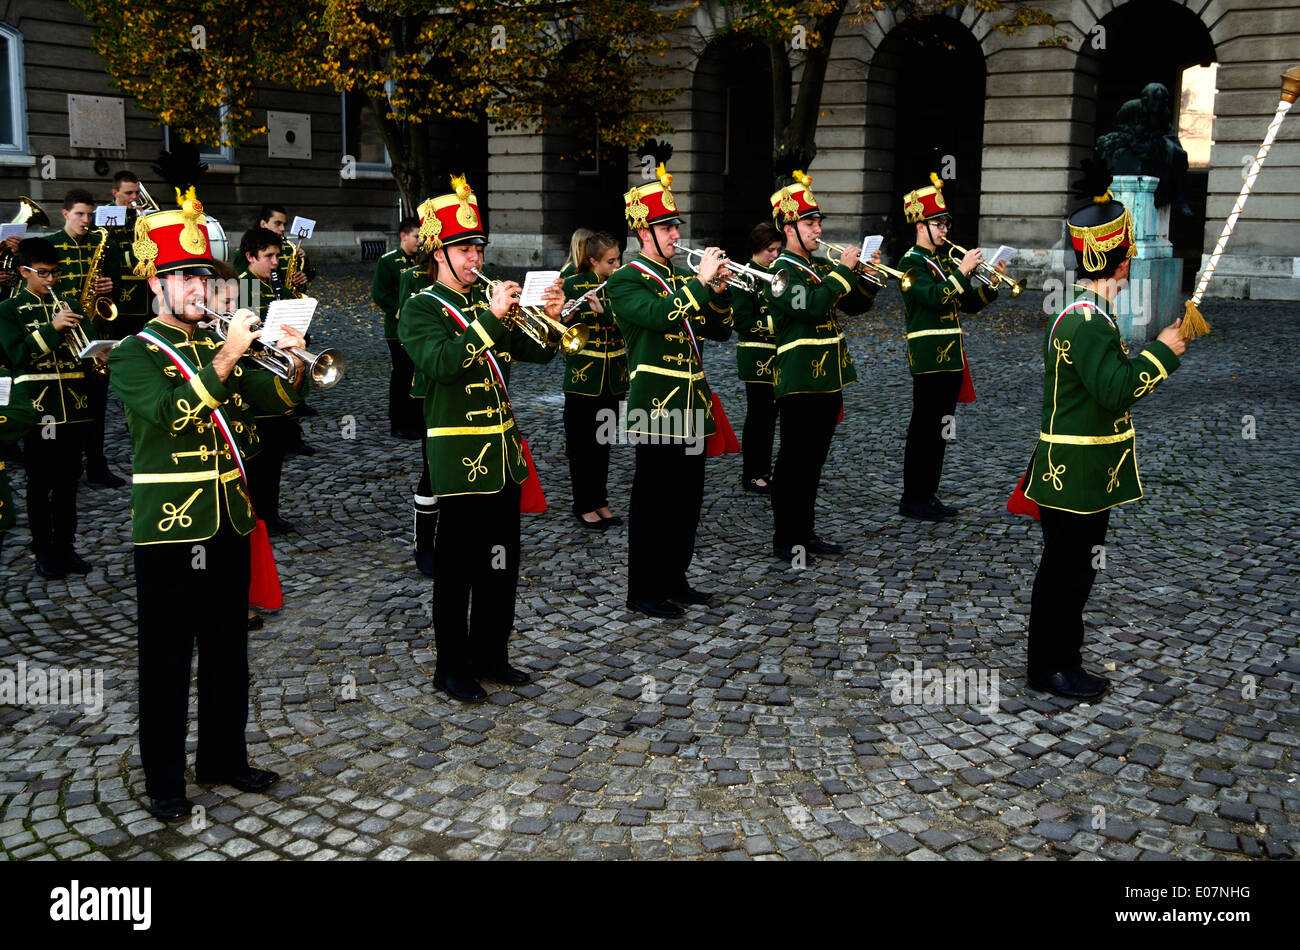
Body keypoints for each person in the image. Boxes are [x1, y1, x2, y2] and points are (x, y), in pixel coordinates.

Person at [108, 187, 307, 820]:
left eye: (203, 275)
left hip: (228, 520)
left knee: (229, 649)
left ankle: (224, 756)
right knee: (167, 659)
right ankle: (165, 781)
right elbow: (168, 417)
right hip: (169, 530)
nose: (199, 286)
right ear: (155, 284)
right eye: (185, 276)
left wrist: (292, 362)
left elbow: (271, 409)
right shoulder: (135, 353)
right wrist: (227, 356)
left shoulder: (215, 344)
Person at [1018, 179, 1187, 701]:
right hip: (1075, 475)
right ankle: (1050, 666)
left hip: (1085, 474)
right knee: (1066, 573)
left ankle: (1064, 659)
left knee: (1073, 571)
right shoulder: (1088, 322)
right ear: (1121, 263)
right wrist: (1163, 352)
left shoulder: (1088, 315)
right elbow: (1116, 391)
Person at [398, 174, 561, 702]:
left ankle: (492, 654)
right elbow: (443, 365)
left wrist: (552, 319)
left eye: (477, 247)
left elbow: (536, 354)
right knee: (457, 566)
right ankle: (451, 666)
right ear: (438, 254)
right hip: (458, 455)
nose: (474, 257)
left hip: (504, 455)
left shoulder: (485, 303)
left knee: (501, 559)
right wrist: (490, 319)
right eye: (464, 248)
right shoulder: (421, 308)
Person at [604, 163, 733, 618]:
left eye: (676, 225)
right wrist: (700, 285)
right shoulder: (624, 281)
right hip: (654, 407)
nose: (676, 235)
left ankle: (675, 578)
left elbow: (719, 330)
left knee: (687, 501)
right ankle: (642, 589)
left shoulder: (682, 280)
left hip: (693, 403)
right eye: (666, 227)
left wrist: (718, 291)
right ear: (644, 233)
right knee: (653, 502)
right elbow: (659, 318)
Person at [764, 171, 880, 562]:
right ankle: (786, 538)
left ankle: (806, 532)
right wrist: (843, 271)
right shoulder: (780, 272)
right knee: (794, 462)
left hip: (828, 376)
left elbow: (855, 306)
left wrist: (866, 275)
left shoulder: (815, 268)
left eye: (818, 222)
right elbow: (812, 307)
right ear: (788, 227)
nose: (818, 228)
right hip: (798, 379)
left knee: (813, 463)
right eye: (810, 222)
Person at [897, 173, 1003, 521]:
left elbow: (968, 303)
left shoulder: (943, 263)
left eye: (945, 223)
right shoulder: (910, 264)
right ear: (919, 224)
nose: (944, 230)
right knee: (923, 430)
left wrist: (990, 282)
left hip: (951, 358)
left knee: (940, 430)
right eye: (938, 223)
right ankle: (912, 498)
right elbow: (933, 298)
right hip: (928, 358)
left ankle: (928, 494)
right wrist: (962, 273)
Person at [0, 237, 98, 578]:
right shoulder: (8, 311)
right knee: (41, 481)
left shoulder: (67, 303)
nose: (51, 281)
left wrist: (98, 351)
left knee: (70, 480)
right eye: (43, 274)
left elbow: (85, 348)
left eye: (54, 273)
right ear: (25, 272)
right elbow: (17, 355)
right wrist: (52, 329)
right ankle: (43, 550)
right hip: (40, 409)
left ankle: (66, 547)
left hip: (75, 404)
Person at [46, 188, 125, 489]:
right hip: (66, 333)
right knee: (66, 406)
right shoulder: (49, 244)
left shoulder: (99, 241)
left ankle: (97, 465)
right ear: (65, 214)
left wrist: (109, 284)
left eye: (90, 215)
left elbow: (115, 275)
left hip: (96, 334)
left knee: (97, 404)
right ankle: (66, 465)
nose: (86, 220)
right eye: (80, 214)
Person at [560, 231, 627, 529]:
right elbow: (557, 327)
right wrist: (562, 315)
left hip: (614, 377)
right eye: (610, 261)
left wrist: (605, 313)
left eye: (618, 259)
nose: (616, 266)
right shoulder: (572, 285)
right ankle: (583, 504)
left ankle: (600, 500)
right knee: (581, 444)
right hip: (582, 378)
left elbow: (631, 322)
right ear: (592, 261)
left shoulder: (623, 284)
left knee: (603, 442)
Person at [236, 227, 299, 535]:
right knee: (257, 455)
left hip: (278, 376)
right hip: (255, 379)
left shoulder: (279, 288)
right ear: (250, 257)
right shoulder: (243, 288)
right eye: (269, 257)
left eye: (278, 256)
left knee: (275, 453)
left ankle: (270, 513)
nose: (275, 263)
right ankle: (256, 515)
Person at [732, 221, 783, 494]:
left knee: (771, 416)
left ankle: (765, 469)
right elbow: (741, 320)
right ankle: (752, 474)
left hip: (777, 355)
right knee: (758, 417)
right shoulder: (745, 275)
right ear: (756, 249)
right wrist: (779, 322)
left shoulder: (776, 273)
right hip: (756, 355)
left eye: (778, 250)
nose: (775, 256)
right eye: (770, 251)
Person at [372, 217, 423, 439]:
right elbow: (380, 294)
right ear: (403, 236)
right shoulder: (388, 261)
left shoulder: (421, 261)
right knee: (402, 375)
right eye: (416, 236)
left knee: (416, 374)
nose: (420, 241)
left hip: (419, 331)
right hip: (397, 330)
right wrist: (403, 313)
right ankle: (398, 422)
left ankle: (415, 419)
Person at [108, 171, 152, 337]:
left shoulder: (142, 215)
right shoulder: (105, 216)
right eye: (128, 193)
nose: (134, 197)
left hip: (147, 292)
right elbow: (113, 257)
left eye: (137, 192)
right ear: (115, 193)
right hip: (123, 295)